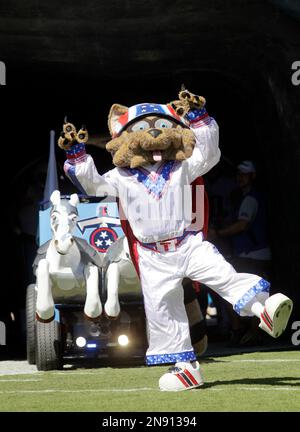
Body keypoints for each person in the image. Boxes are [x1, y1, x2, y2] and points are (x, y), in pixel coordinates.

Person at [58, 88, 293, 392]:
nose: (153, 133)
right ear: (125, 137)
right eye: (141, 129)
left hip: (187, 242)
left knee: (221, 274)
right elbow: (94, 183)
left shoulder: (182, 166)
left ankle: (264, 308)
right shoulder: (120, 177)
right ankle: (186, 369)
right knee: (164, 310)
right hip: (152, 255)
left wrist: (198, 118)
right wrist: (77, 156)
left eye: (161, 126)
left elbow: (209, 154)